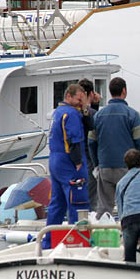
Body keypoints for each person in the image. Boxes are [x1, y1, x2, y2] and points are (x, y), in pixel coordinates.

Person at [89, 76, 140, 217]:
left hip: (104, 168)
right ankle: (127, 236)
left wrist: (96, 164)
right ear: (124, 91)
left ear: (111, 92)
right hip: (126, 169)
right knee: (128, 205)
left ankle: (102, 234)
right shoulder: (132, 115)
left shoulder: (99, 116)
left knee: (104, 208)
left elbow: (91, 142)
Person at [47, 83, 90, 228]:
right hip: (69, 162)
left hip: (54, 160)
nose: (80, 103)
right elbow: (74, 139)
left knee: (57, 203)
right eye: (79, 99)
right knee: (77, 201)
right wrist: (77, 161)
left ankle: (49, 240)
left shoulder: (58, 112)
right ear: (68, 96)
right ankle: (77, 237)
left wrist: (84, 108)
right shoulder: (71, 114)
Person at [77, 78, 101, 208]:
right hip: (89, 157)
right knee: (92, 195)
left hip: (76, 157)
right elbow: (93, 126)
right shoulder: (92, 113)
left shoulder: (72, 111)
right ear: (91, 94)